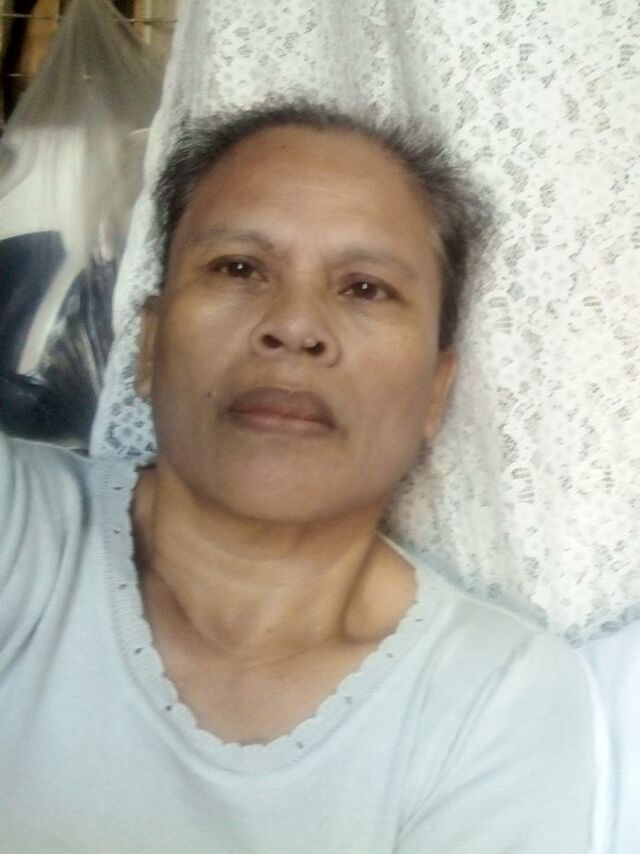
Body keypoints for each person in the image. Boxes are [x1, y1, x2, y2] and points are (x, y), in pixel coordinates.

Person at [0, 100, 594, 853]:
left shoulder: (492, 698)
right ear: (147, 345)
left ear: (435, 393)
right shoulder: (22, 536)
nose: (294, 326)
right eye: (238, 268)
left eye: (365, 288)